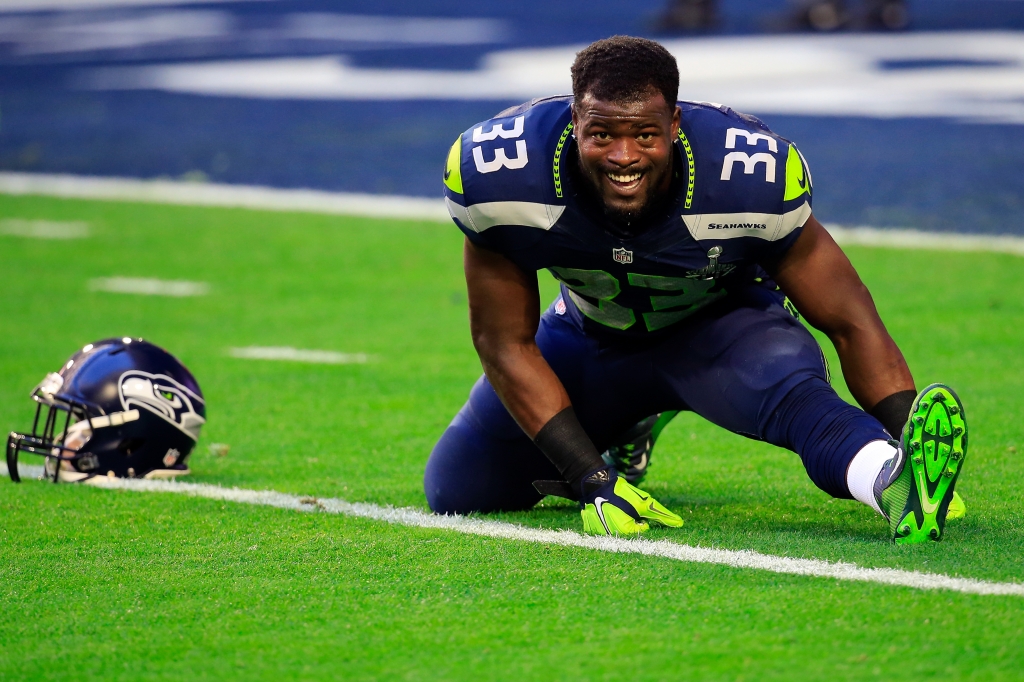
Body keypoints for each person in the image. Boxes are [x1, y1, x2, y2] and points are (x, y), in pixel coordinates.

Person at [425, 36, 967, 544]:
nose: (624, 156)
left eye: (644, 134)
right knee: (458, 488)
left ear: (675, 124)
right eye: (602, 135)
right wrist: (591, 478)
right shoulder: (502, 176)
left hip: (723, 334)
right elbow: (504, 341)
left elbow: (850, 320)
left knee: (796, 399)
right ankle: (628, 428)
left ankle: (893, 482)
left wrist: (907, 433)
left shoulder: (748, 174)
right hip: (591, 338)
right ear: (575, 121)